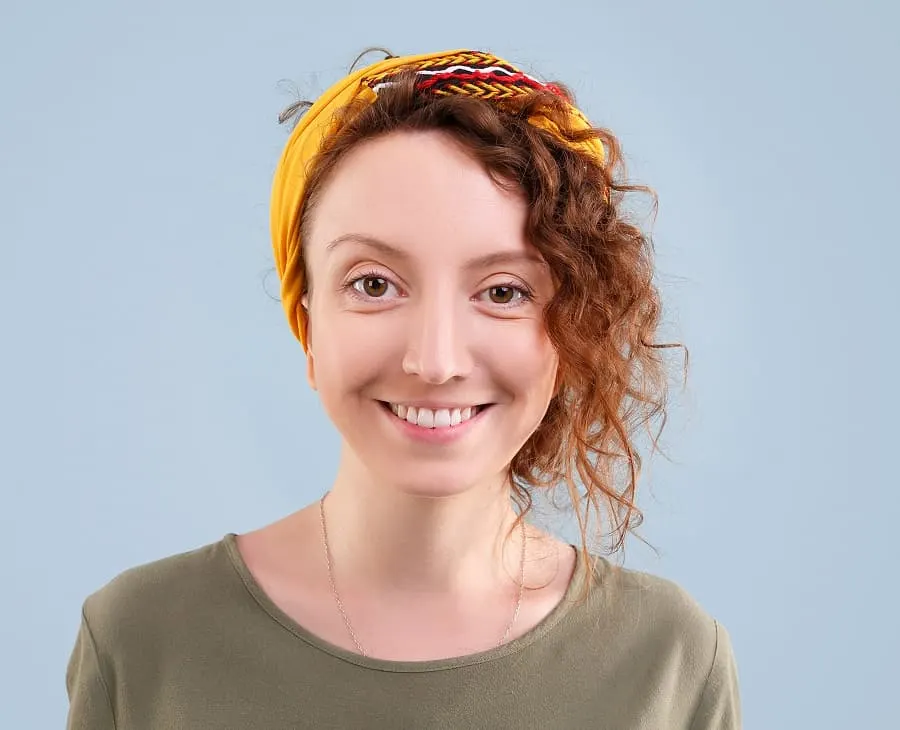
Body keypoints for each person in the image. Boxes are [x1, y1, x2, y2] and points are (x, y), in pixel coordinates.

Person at [66, 48, 741, 729]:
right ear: (307, 326)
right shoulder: (141, 641)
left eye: (503, 291)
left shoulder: (670, 659)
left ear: (569, 331)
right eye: (374, 284)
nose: (435, 360)